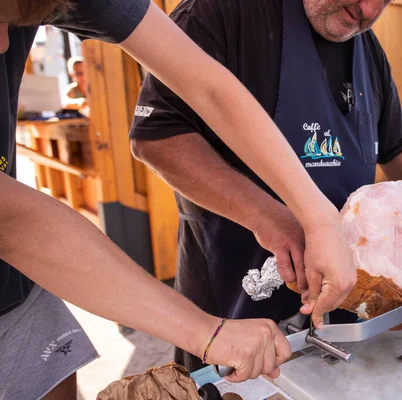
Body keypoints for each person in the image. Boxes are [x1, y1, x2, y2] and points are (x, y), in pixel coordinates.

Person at [1, 0, 363, 397]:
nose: (6, 45)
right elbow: (14, 223)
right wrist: (206, 332)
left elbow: (208, 87)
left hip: (22, 295)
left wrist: (318, 218)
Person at [130, 0, 402, 372]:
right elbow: (158, 137)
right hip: (234, 303)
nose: (370, 9)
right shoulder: (220, 12)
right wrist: (270, 217)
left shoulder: (367, 48)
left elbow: (396, 143)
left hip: (342, 317)